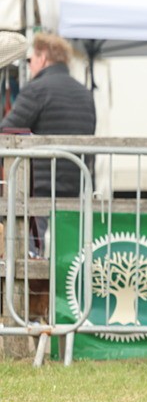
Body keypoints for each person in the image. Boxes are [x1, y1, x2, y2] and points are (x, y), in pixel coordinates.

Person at [0, 32, 97, 255]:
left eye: (31, 59)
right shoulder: (85, 94)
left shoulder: (37, 90)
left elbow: (6, 130)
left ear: (42, 57)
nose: (31, 66)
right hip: (75, 186)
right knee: (67, 255)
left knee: (31, 254)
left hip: (39, 187)